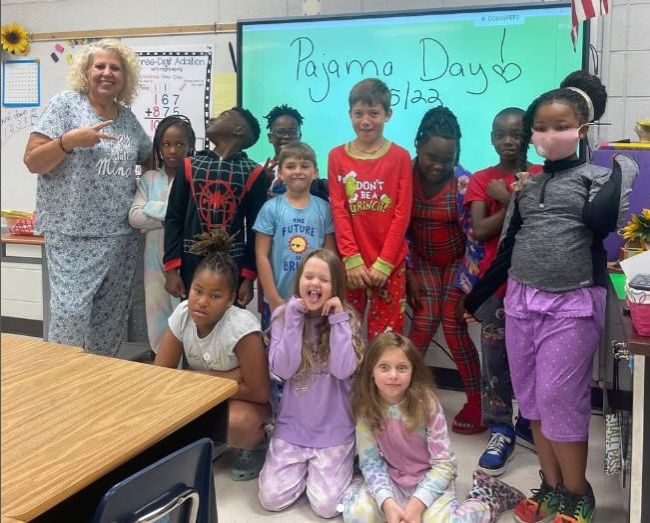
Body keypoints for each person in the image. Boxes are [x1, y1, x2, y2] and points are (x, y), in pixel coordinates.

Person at [463, 71, 638, 523]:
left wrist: (623, 169)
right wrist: (479, 298)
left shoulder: (596, 177)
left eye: (559, 126)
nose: (548, 135)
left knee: (562, 398)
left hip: (572, 304)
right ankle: (552, 484)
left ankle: (579, 493)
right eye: (539, 127)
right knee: (533, 400)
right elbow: (507, 245)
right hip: (521, 302)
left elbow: (603, 224)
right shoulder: (529, 185)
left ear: (580, 130)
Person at [23, 39, 153, 356]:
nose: (107, 73)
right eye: (100, 66)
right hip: (72, 235)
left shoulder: (128, 118)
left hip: (121, 238)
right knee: (69, 318)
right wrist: (68, 141)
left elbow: (147, 161)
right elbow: (32, 161)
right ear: (87, 71)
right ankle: (61, 391)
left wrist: (145, 200)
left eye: (115, 68)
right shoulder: (66, 105)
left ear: (125, 77)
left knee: (109, 325)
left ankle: (97, 393)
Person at [341, 331, 525, 523]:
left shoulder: (426, 404)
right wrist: (387, 501)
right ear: (371, 371)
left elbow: (444, 464)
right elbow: (371, 462)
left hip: (430, 478)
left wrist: (416, 505)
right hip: (392, 476)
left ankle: (487, 496)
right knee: (357, 514)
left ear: (413, 371)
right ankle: (359, 483)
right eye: (384, 367)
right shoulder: (366, 406)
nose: (393, 375)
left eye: (402, 368)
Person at [154, 228, 271, 480]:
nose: (202, 301)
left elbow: (260, 392)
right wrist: (229, 376)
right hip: (209, 395)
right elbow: (159, 376)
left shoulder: (241, 327)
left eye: (215, 295)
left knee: (239, 423)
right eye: (198, 291)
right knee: (160, 410)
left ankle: (255, 444)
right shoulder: (183, 314)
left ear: (230, 300)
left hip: (245, 405)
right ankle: (211, 442)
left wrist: (194, 378)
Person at [463, 108, 540, 475]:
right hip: (498, 286)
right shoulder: (482, 180)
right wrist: (514, 202)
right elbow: (480, 230)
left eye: (516, 133)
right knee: (495, 358)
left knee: (535, 359)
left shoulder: (542, 176)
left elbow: (546, 224)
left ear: (529, 135)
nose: (508, 140)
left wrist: (510, 199)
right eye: (500, 134)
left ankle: (529, 422)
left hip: (539, 288)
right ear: (491, 138)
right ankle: (500, 427)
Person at [258, 248, 363, 518]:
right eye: (309, 277)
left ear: (335, 288)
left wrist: (338, 320)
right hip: (292, 428)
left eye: (324, 280)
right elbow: (283, 368)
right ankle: (305, 472)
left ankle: (348, 470)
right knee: (270, 498)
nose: (315, 284)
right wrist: (293, 318)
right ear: (299, 281)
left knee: (327, 508)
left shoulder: (347, 319)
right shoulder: (284, 316)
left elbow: (343, 370)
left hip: (334, 430)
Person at [405, 107, 484, 436]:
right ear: (417, 146)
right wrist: (407, 271)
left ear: (457, 155)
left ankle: (477, 401)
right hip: (418, 262)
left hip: (456, 262)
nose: (438, 166)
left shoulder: (463, 182)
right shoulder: (402, 176)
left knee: (453, 326)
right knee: (422, 323)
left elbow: (475, 239)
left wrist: (466, 288)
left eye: (447, 159)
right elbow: (400, 229)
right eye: (430, 157)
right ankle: (405, 398)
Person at [328, 78, 412, 338]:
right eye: (359, 113)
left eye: (374, 113)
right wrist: (351, 260)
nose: (366, 121)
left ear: (388, 114)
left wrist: (384, 263)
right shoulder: (336, 156)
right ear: (349, 114)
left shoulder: (400, 157)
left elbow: (402, 213)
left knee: (386, 339)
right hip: (351, 266)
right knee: (344, 336)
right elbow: (339, 210)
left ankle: (379, 381)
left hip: (389, 266)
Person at [163, 107, 268, 308]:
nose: (213, 118)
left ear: (239, 130)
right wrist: (171, 268)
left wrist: (248, 276)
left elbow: (256, 228)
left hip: (233, 262)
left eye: (223, 116)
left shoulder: (254, 172)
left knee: (228, 318)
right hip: (190, 259)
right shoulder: (190, 165)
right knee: (193, 316)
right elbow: (174, 217)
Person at [129, 115, 196, 354]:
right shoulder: (149, 179)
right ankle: (163, 364)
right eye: (166, 144)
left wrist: (152, 209)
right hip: (153, 261)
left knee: (188, 313)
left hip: (185, 259)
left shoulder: (195, 178)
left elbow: (193, 219)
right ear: (158, 147)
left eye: (180, 144)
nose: (173, 150)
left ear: (190, 146)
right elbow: (134, 217)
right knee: (157, 313)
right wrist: (174, 215)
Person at [254, 142, 336, 328]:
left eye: (304, 166)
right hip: (278, 300)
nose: (298, 171)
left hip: (315, 300)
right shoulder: (270, 209)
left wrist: (325, 295)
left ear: (315, 172)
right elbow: (261, 256)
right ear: (281, 173)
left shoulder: (324, 209)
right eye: (291, 166)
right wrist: (273, 298)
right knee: (277, 354)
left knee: (312, 353)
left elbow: (330, 257)